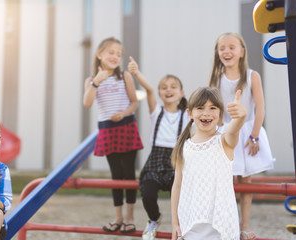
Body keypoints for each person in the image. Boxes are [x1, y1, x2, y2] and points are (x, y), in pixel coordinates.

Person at [209, 32, 275, 240]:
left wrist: (255, 135)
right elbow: (214, 110)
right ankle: (227, 224)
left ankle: (244, 224)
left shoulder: (252, 76)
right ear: (217, 53)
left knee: (246, 180)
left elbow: (261, 108)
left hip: (247, 132)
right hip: (226, 133)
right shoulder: (216, 79)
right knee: (224, 181)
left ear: (241, 51)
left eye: (231, 47)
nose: (227, 52)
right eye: (222, 48)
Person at [83, 37, 143, 234]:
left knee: (128, 175)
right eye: (111, 52)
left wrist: (123, 114)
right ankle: (118, 218)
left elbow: (134, 102)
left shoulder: (124, 76)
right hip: (107, 130)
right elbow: (87, 103)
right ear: (99, 54)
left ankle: (130, 218)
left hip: (126, 126)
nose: (116, 56)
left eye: (119, 54)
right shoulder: (91, 80)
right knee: (115, 176)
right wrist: (95, 82)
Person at [171, 87, 246, 240]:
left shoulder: (224, 142)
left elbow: (233, 130)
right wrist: (174, 223)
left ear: (220, 114)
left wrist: (240, 116)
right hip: (190, 224)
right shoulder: (184, 147)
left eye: (213, 108)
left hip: (220, 226)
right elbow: (177, 185)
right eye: (200, 108)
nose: (206, 113)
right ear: (190, 113)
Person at [127, 57, 189, 240]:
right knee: (148, 192)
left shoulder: (187, 115)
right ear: (160, 93)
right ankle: (154, 219)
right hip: (155, 159)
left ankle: (182, 227)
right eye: (164, 87)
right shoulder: (156, 111)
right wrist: (136, 73)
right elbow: (149, 89)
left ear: (181, 92)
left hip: (175, 160)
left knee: (180, 195)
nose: (168, 90)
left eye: (173, 86)